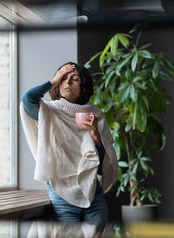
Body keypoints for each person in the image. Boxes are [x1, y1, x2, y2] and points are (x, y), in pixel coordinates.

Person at [20, 62, 118, 232]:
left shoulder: (95, 114)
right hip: (62, 193)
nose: (67, 82)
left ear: (83, 85)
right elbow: (27, 99)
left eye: (74, 79)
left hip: (93, 193)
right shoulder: (48, 112)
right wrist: (52, 81)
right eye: (63, 78)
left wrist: (96, 137)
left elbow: (102, 165)